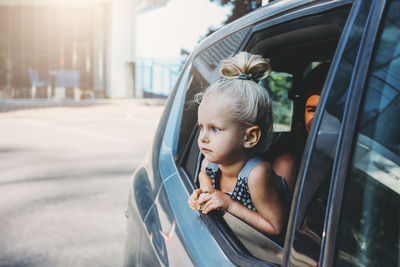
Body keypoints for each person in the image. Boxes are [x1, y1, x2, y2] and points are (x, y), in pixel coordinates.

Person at [188, 52, 290, 236]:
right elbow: (204, 176)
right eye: (201, 127)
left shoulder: (257, 175)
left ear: (249, 137)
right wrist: (205, 192)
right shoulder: (209, 162)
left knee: (288, 162)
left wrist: (229, 204)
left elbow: (276, 228)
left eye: (215, 129)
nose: (203, 137)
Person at [272, 62, 330, 191]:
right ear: (301, 115)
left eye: (329, 110)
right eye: (312, 110)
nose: (319, 119)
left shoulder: (358, 156)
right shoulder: (288, 165)